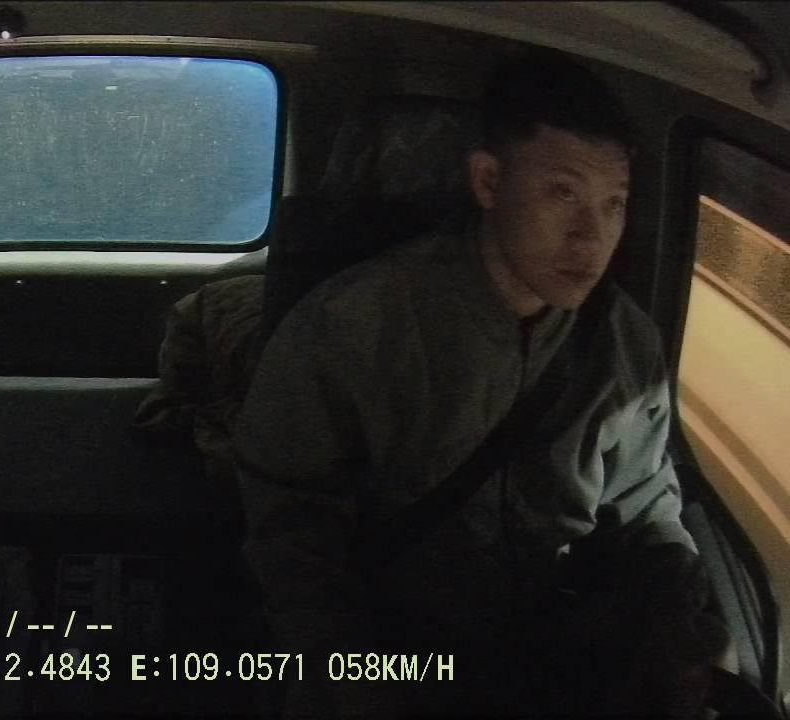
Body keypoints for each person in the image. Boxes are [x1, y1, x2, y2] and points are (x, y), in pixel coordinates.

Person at [234, 50, 729, 718]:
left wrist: (677, 610)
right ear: (489, 182)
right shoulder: (352, 325)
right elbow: (292, 531)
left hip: (558, 656)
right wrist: (346, 672)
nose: (592, 237)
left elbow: (645, 504)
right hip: (392, 654)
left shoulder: (623, 341)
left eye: (614, 204)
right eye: (563, 194)